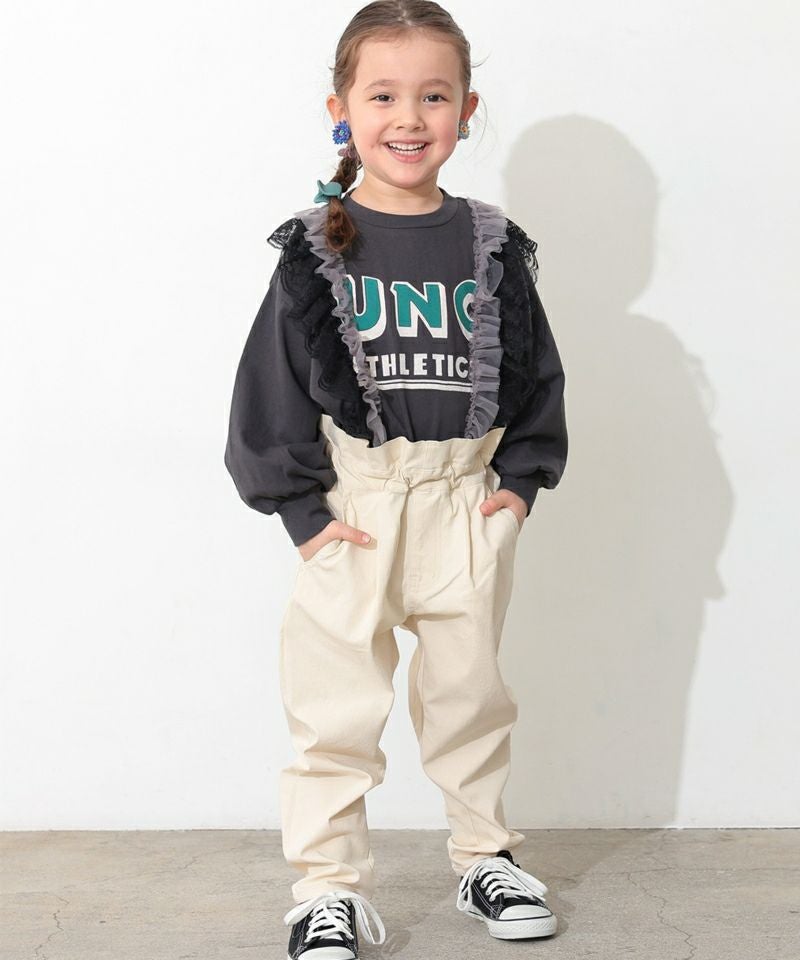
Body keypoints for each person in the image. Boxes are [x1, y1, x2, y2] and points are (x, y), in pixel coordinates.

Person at [224, 2, 568, 956]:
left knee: (472, 697)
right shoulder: (316, 248)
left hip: (465, 503)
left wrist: (518, 487)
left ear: (467, 110)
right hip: (357, 508)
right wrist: (302, 512)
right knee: (333, 708)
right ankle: (326, 887)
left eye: (434, 96)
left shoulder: (492, 244)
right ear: (341, 110)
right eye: (383, 96)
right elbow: (272, 383)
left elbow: (538, 372)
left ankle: (485, 856)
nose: (409, 118)